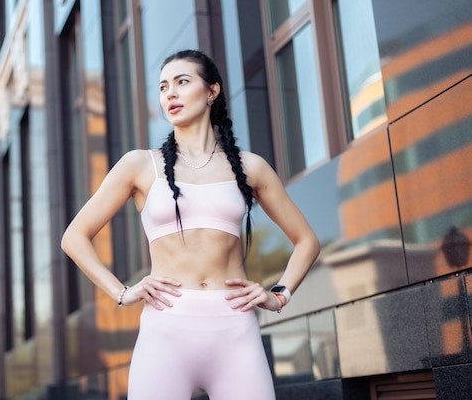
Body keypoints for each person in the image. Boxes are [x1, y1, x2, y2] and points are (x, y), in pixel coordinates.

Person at [61, 49, 320, 400]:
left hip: (235, 329)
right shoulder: (140, 165)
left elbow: (306, 240)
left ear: (212, 91)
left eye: (182, 82)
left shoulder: (250, 167)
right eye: (164, 86)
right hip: (165, 331)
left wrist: (279, 294)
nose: (170, 93)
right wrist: (122, 293)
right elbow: (74, 237)